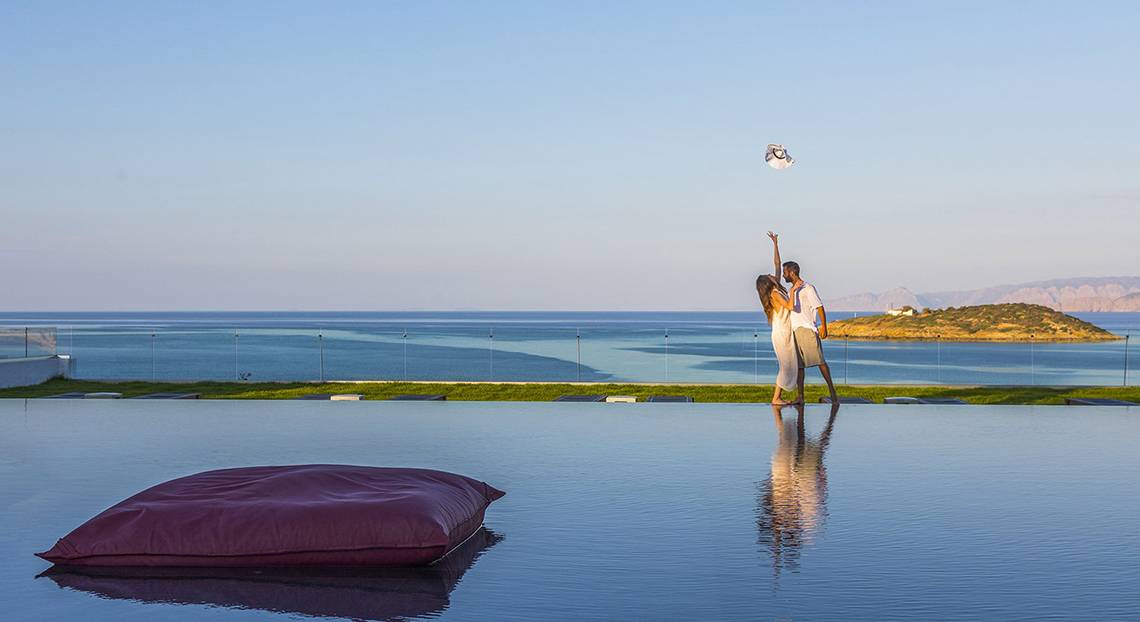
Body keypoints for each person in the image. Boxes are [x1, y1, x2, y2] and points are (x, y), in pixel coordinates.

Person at [782, 258, 839, 403]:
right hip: (795, 331)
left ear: (792, 272)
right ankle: (800, 396)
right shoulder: (792, 290)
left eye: (785, 272)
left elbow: (819, 307)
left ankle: (833, 393)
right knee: (799, 367)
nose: (783, 276)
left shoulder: (808, 288)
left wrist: (823, 327)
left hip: (807, 330)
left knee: (820, 361)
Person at [756, 232, 802, 405]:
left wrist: (775, 244)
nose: (772, 273)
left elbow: (777, 263)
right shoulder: (775, 293)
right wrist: (793, 289)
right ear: (768, 283)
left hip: (785, 331)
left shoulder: (777, 288)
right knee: (786, 365)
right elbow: (790, 306)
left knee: (792, 364)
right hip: (782, 334)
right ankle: (776, 398)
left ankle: (791, 396)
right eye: (769, 275)